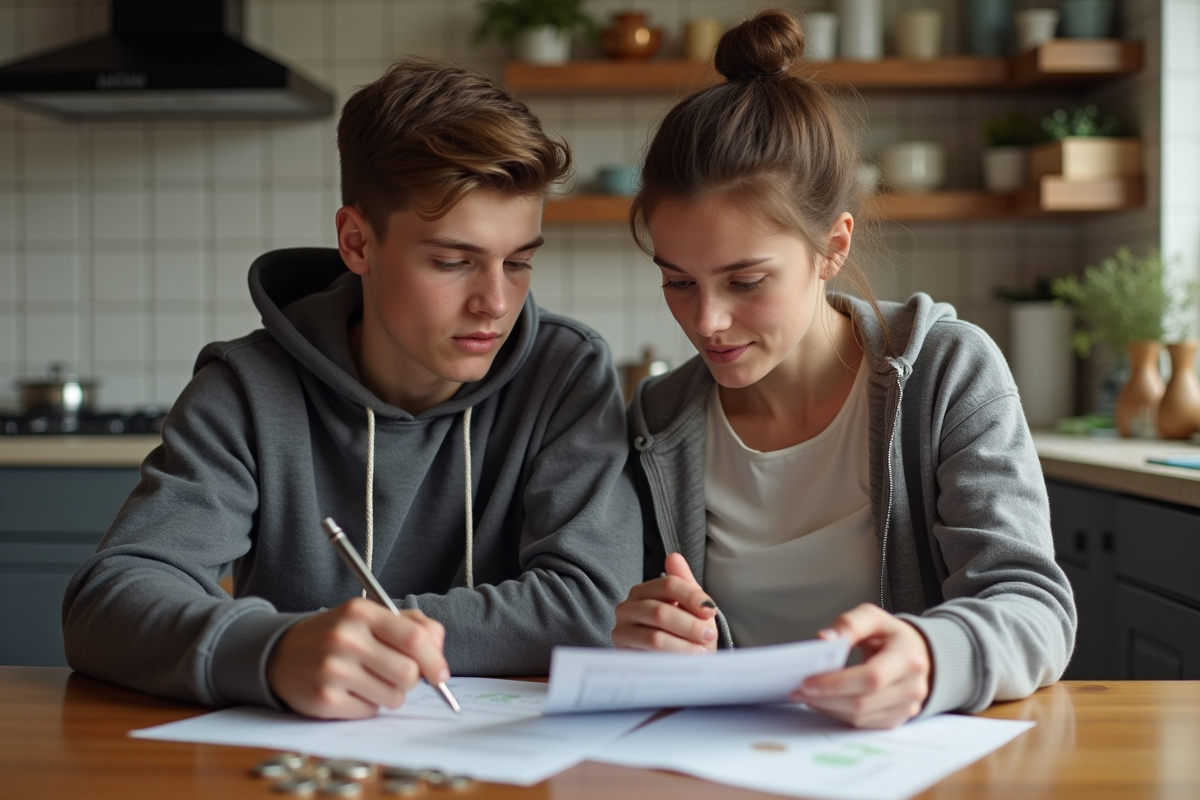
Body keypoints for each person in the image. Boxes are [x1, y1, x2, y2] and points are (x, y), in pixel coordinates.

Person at [63, 58, 642, 719]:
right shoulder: (247, 390)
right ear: (357, 242)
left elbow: (594, 607)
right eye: (454, 262)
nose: (496, 303)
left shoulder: (564, 375)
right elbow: (106, 601)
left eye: (519, 262)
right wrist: (275, 648)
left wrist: (361, 626)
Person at [610, 10, 1076, 729]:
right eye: (678, 282)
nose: (705, 322)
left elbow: (1033, 606)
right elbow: (639, 629)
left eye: (745, 281)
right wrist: (646, 635)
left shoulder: (946, 373)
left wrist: (930, 654)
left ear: (832, 247)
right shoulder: (660, 419)